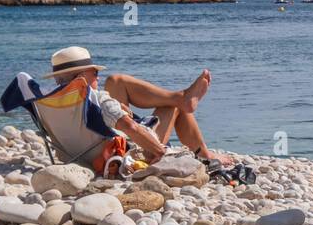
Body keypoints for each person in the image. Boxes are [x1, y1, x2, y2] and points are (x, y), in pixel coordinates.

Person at [44, 46, 232, 168]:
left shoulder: (48, 103)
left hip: (76, 155)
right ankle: (202, 149)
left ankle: (182, 98)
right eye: (94, 72)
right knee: (171, 107)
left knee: (116, 81)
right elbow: (131, 128)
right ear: (81, 77)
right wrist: (161, 153)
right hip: (122, 154)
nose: (98, 77)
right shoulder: (98, 99)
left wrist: (115, 113)